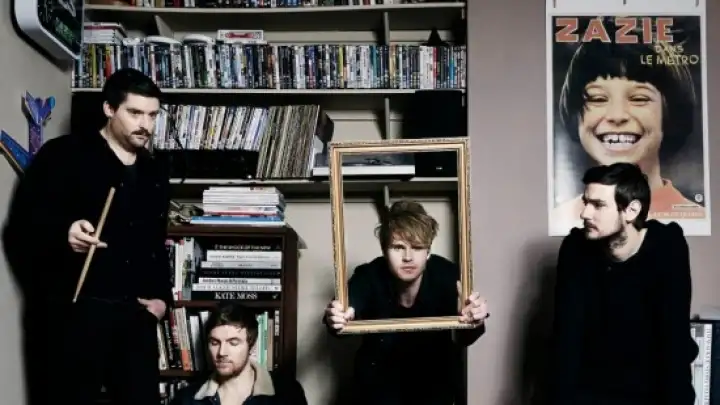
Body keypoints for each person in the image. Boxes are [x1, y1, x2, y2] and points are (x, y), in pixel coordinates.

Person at [2, 68, 173, 405]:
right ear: (109, 109)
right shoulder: (63, 155)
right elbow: (22, 225)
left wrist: (161, 302)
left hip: (135, 316)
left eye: (152, 115)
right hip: (75, 315)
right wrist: (65, 233)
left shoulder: (154, 171)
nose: (146, 125)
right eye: (135, 113)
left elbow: (156, 241)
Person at [550, 162, 699, 405]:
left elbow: (675, 342)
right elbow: (566, 342)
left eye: (598, 205)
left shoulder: (667, 246)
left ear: (631, 210)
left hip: (651, 392)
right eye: (586, 203)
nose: (585, 213)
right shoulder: (575, 249)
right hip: (590, 392)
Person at [323, 200, 489, 405]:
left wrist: (475, 319)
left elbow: (466, 337)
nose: (408, 257)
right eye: (398, 247)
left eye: (417, 247)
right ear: (384, 250)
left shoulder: (447, 275)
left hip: (434, 385)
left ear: (428, 252)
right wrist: (338, 316)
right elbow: (346, 309)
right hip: (378, 388)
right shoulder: (369, 274)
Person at [169, 304, 308, 405]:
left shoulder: (287, 394)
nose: (222, 352)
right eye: (215, 343)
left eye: (233, 343)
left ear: (252, 346)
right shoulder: (186, 399)